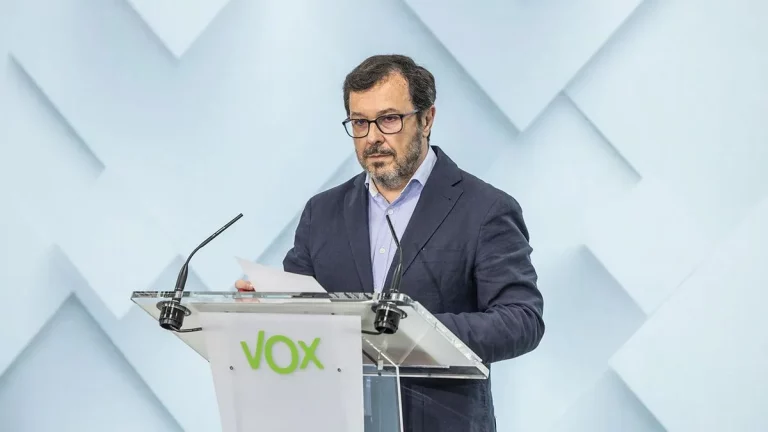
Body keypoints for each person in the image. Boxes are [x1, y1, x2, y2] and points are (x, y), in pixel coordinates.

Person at [236, 54, 544, 432]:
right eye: (360, 123)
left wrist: (411, 330)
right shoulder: (322, 212)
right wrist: (264, 306)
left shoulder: (485, 209)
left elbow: (521, 320)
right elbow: (303, 312)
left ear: (427, 119)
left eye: (389, 119)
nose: (373, 138)